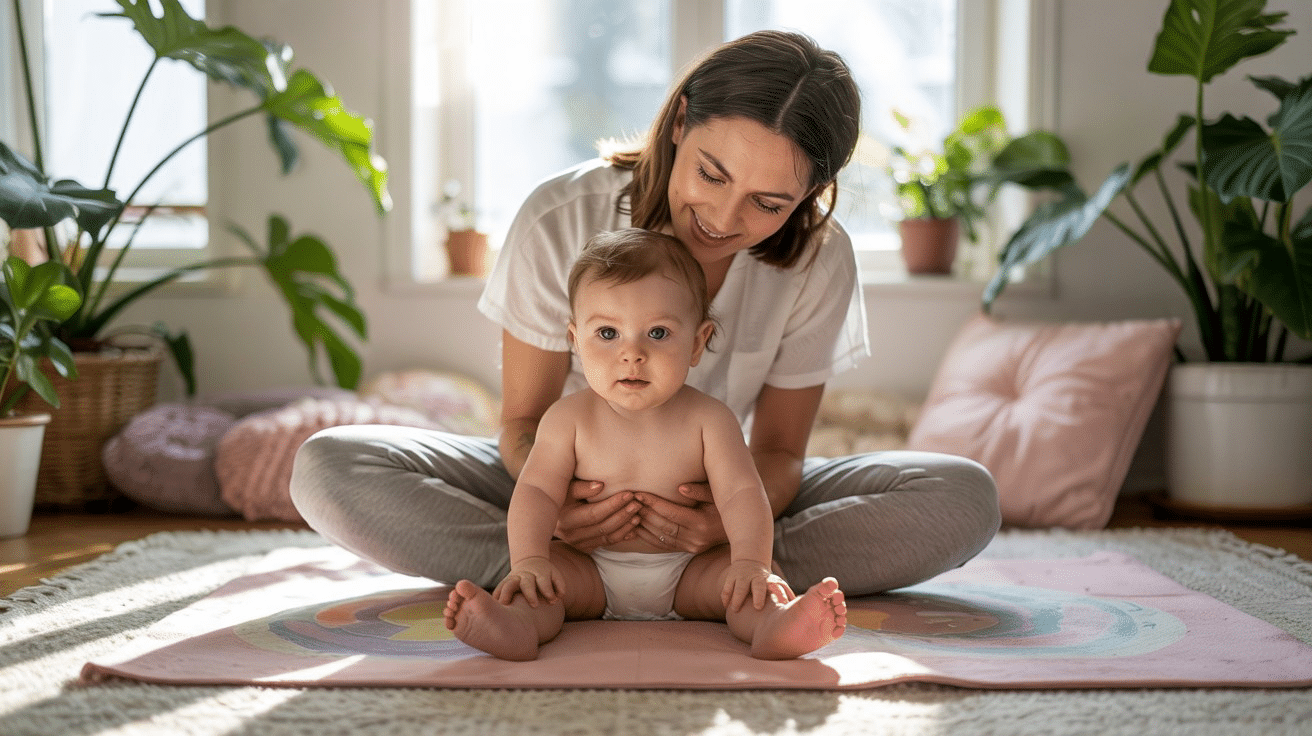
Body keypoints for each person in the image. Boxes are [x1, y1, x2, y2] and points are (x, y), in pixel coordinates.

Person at [289, 30, 1000, 607]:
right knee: (328, 469)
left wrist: (728, 526)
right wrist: (550, 519)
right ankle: (547, 574)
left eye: (768, 202)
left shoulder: (819, 258)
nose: (724, 220)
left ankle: (739, 577)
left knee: (962, 496)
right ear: (681, 120)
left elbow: (779, 453)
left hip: (730, 502)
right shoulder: (559, 216)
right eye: (713, 175)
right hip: (554, 490)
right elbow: (522, 426)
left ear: (812, 192)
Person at [442, 229, 847, 660]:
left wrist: (751, 561)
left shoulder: (710, 420)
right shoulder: (567, 419)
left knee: (750, 583)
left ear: (696, 343)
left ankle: (775, 626)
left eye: (657, 334)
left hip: (691, 567)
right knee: (540, 586)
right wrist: (529, 561)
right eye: (607, 333)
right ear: (575, 341)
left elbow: (744, 493)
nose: (632, 353)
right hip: (589, 566)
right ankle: (515, 627)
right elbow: (537, 491)